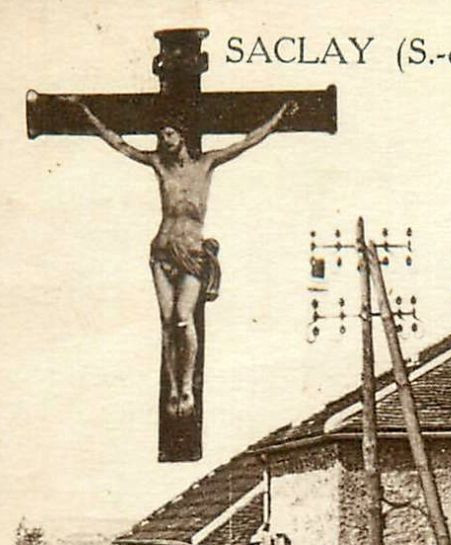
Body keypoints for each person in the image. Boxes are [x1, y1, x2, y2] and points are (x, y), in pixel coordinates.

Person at [63, 95, 298, 417]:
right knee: (167, 323)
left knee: (183, 318)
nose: (164, 140)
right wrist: (86, 112)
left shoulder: (206, 165)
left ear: (182, 135)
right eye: (161, 135)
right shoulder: (159, 165)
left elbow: (247, 142)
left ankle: (186, 386)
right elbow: (119, 144)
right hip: (161, 252)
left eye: (169, 134)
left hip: (191, 253)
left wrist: (280, 117)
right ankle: (173, 389)